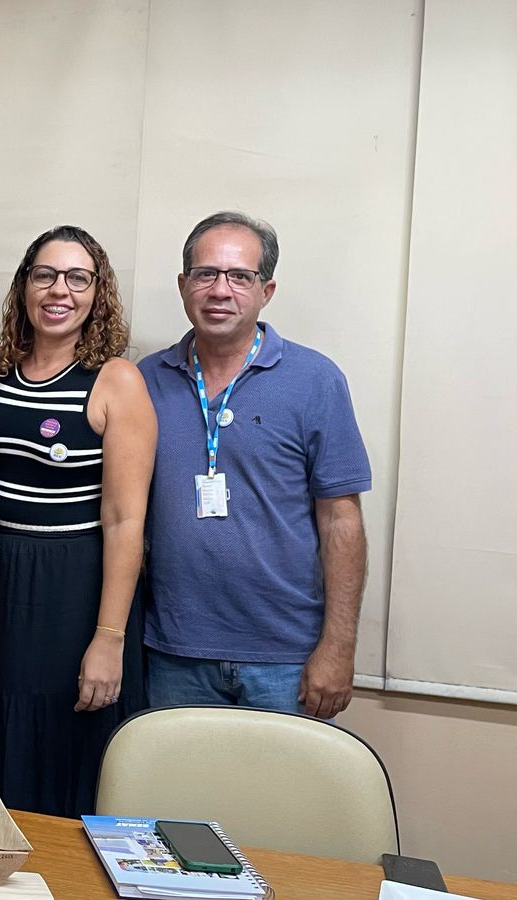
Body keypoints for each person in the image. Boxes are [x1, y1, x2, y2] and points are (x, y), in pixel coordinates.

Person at [138, 211, 370, 718]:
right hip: (174, 653)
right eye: (206, 274)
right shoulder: (145, 381)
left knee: (284, 777)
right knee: (172, 775)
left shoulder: (315, 380)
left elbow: (341, 520)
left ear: (266, 291)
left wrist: (339, 647)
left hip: (286, 658)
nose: (220, 290)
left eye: (240, 277)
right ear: (183, 285)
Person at [0, 226, 156, 817]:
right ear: (24, 286)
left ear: (98, 292)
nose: (59, 290)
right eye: (45, 275)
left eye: (78, 278)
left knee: (64, 751)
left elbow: (125, 521)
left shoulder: (116, 381)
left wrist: (109, 639)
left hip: (74, 591)